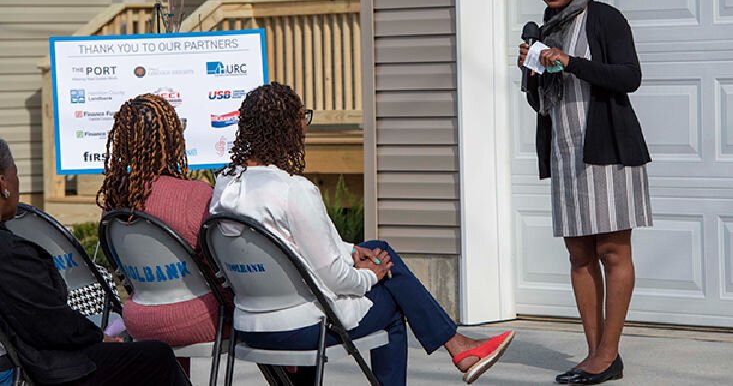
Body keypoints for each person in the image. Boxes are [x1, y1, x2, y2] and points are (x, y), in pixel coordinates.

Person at [209, 82, 515, 386]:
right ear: (287, 130)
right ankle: (458, 346)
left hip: (249, 325)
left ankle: (458, 345)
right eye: (304, 120)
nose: (305, 130)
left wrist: (352, 250)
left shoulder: (225, 185)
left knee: (376, 247)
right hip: (302, 327)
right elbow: (334, 278)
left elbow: (287, 247)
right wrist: (373, 275)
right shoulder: (293, 190)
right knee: (394, 303)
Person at [518, 0, 652, 385]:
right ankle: (595, 354)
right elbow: (540, 100)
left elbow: (629, 76)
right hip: (566, 151)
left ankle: (608, 353)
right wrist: (534, 71)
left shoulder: (605, 18)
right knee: (578, 254)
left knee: (612, 251)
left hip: (608, 151)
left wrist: (570, 61)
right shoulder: (542, 29)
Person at [0, 138, 189, 386]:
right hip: (39, 365)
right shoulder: (10, 254)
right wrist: (96, 336)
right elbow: (50, 323)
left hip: (29, 354)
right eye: (16, 173)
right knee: (156, 356)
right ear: (3, 181)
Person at [96, 94, 224, 371]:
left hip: (139, 315)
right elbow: (220, 260)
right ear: (174, 138)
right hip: (200, 317)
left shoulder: (115, 199)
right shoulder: (196, 195)